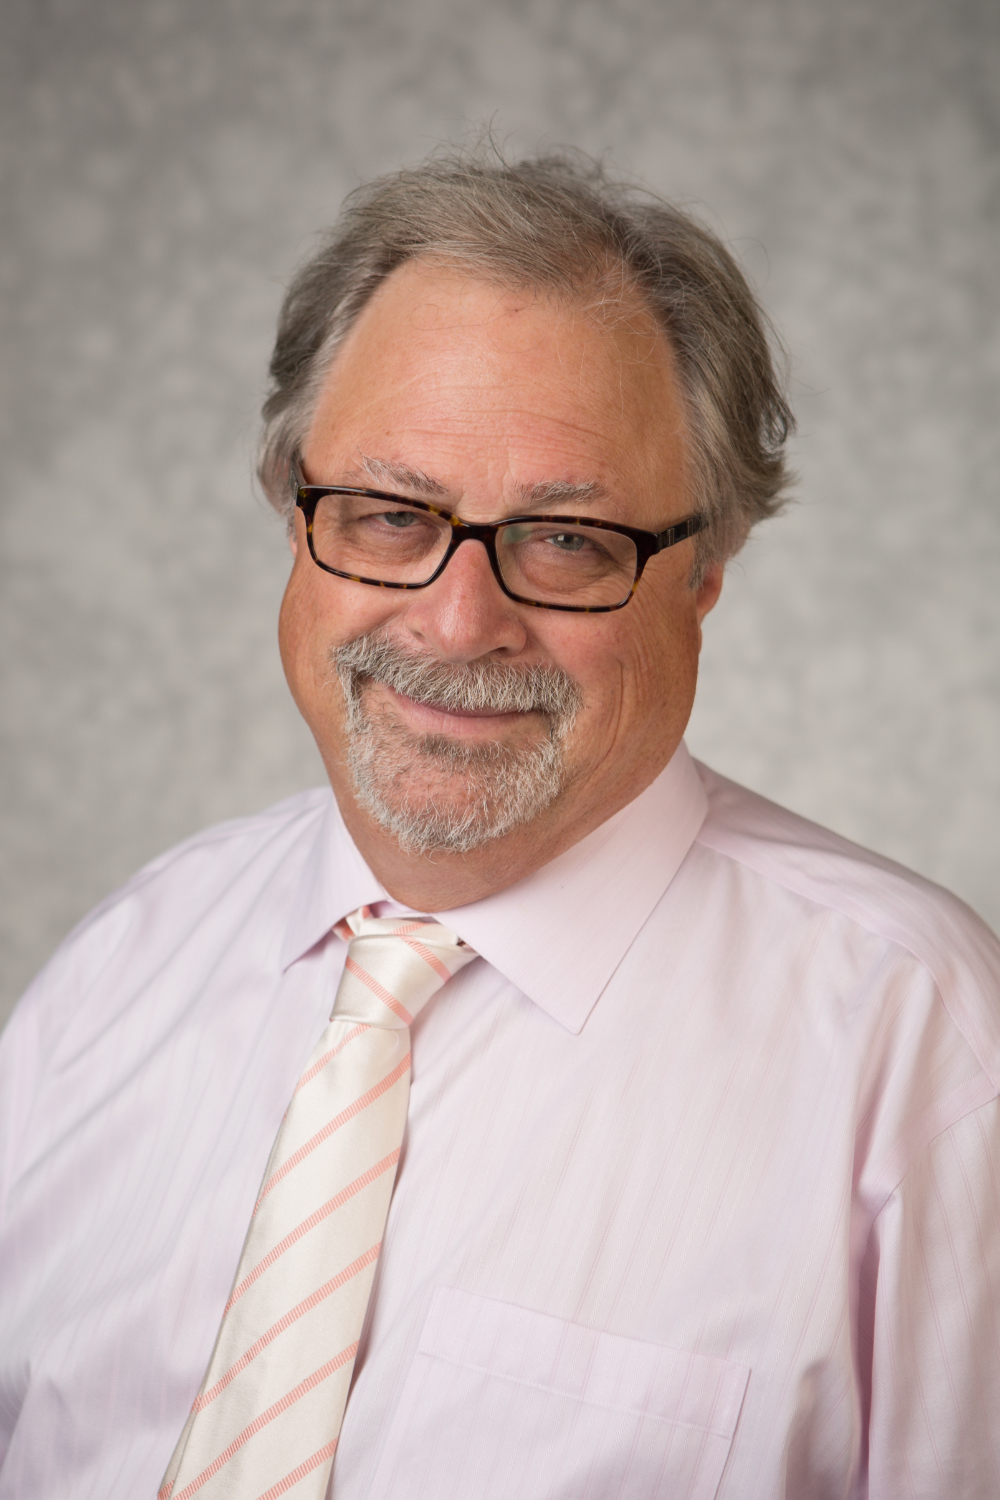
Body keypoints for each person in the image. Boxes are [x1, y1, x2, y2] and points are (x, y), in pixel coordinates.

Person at [1, 149, 998, 1500]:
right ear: (292, 511)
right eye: (390, 516)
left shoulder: (921, 1043)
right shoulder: (121, 972)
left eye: (568, 542)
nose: (459, 622)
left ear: (704, 571)